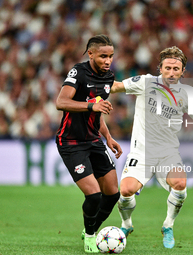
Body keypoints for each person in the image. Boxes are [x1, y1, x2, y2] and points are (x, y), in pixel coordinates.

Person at [110, 46, 193, 249]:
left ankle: (168, 225)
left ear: (183, 71)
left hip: (167, 153)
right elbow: (116, 87)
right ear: (160, 68)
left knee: (180, 184)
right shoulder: (145, 82)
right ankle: (126, 224)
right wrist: (93, 86)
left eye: (176, 69)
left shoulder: (187, 93)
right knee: (126, 191)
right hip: (141, 151)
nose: (172, 72)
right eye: (168, 68)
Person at [56, 34, 122, 253]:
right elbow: (61, 102)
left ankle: (91, 230)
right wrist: (90, 106)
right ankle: (91, 237)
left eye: (111, 56)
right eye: (103, 56)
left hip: (94, 140)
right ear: (91, 53)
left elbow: (98, 112)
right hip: (71, 142)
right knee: (93, 195)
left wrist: (108, 137)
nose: (107, 60)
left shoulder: (109, 77)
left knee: (113, 194)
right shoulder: (78, 72)